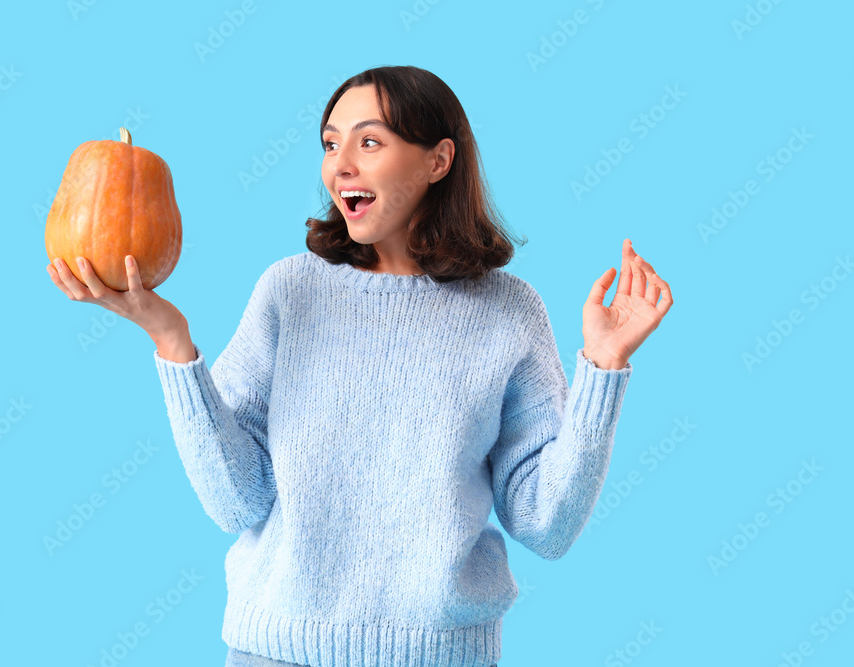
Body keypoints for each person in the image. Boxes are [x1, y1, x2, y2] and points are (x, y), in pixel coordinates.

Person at [46, 65, 672, 667]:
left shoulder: (509, 311)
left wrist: (604, 366)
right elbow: (236, 503)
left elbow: (546, 526)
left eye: (369, 142)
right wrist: (171, 338)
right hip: (273, 654)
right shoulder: (289, 290)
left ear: (438, 161)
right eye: (330, 143)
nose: (339, 165)